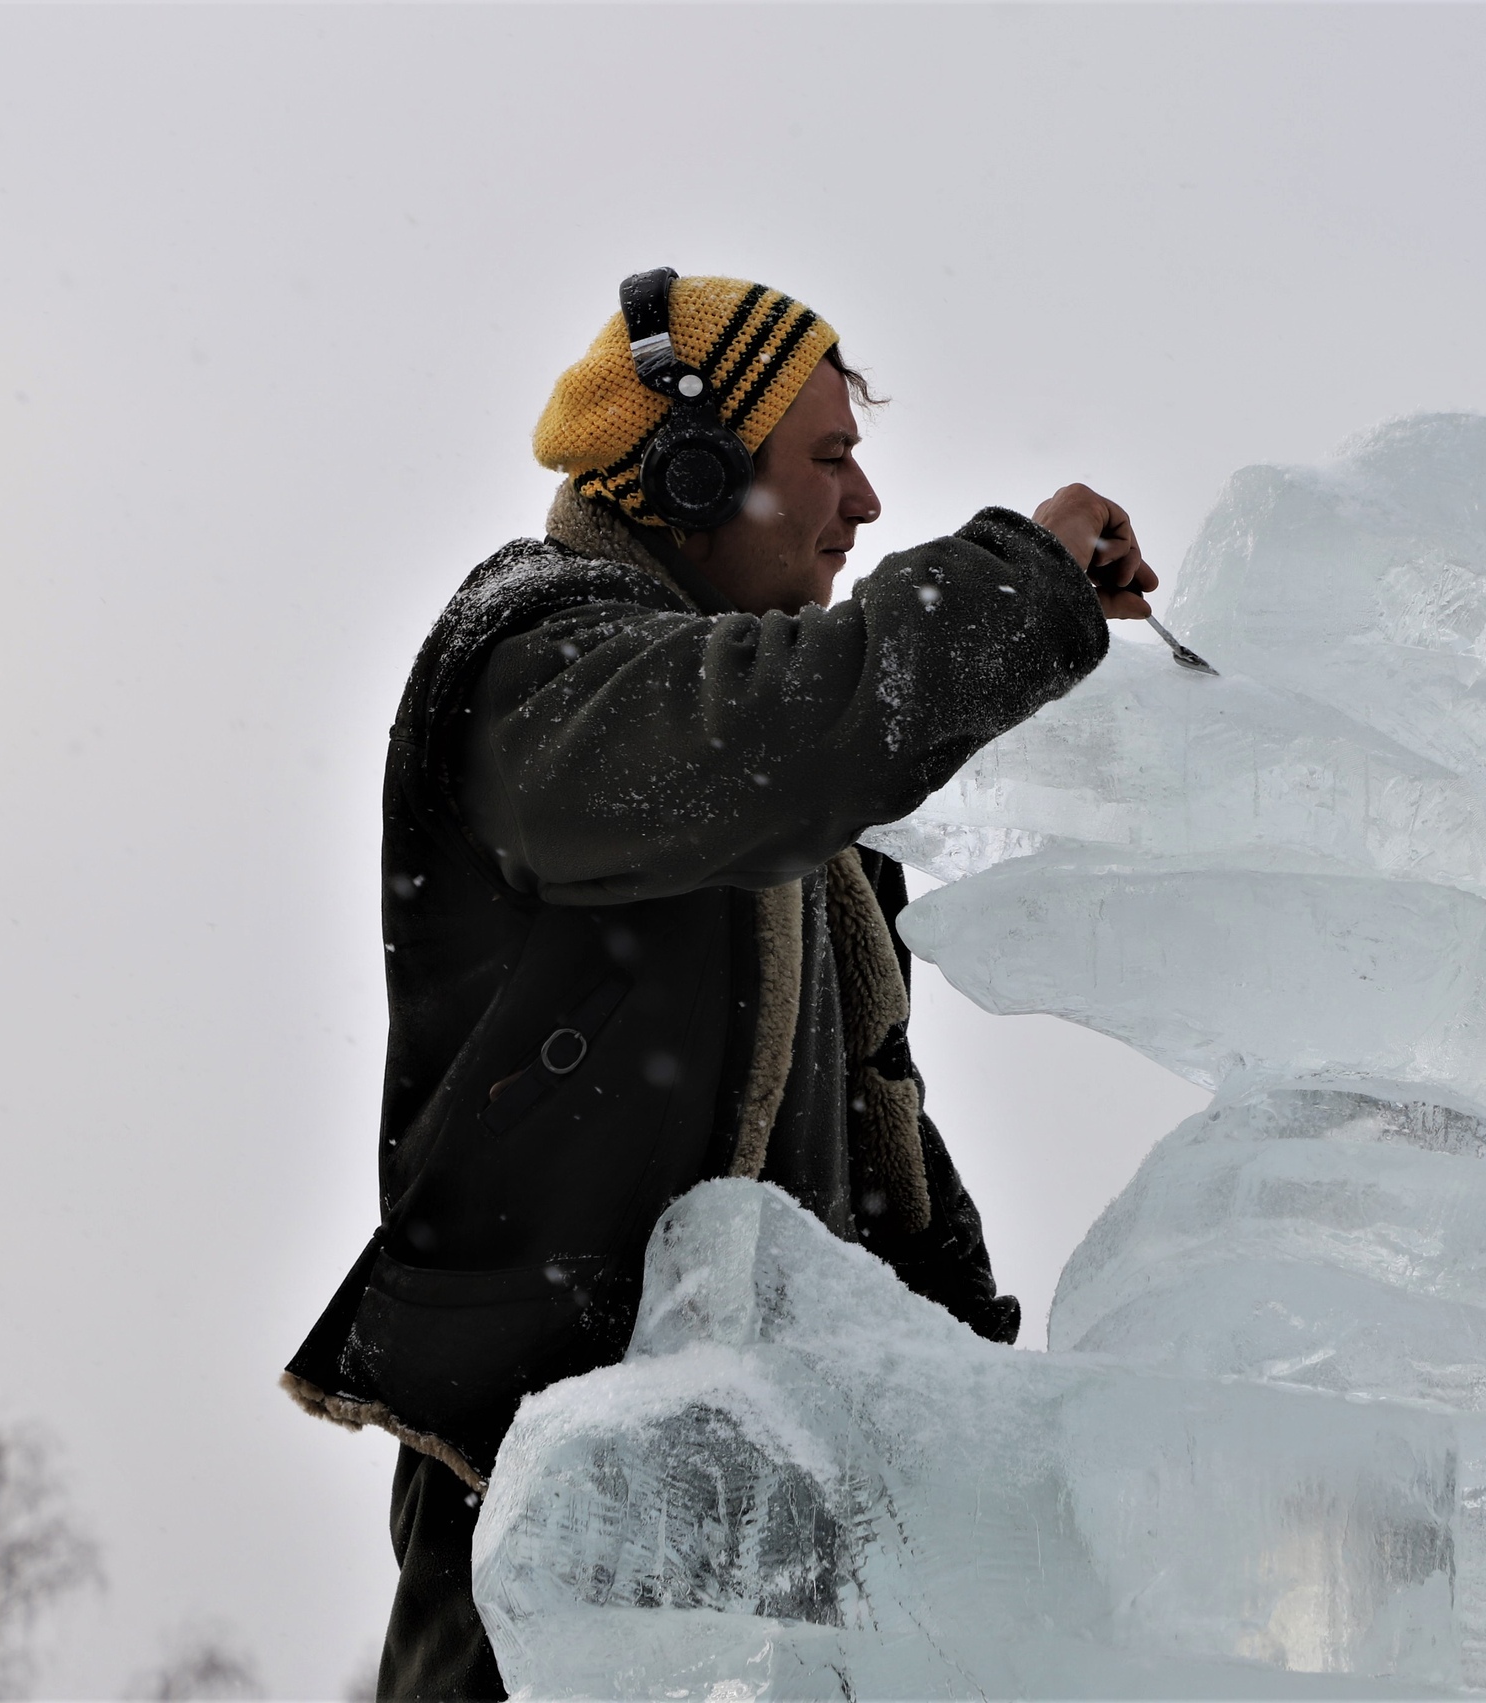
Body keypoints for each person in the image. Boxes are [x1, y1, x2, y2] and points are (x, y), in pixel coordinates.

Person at [279, 270, 1157, 1702]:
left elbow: (883, 1179)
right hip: (552, 1505)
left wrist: (1003, 1448)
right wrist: (1020, 588)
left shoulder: (794, 836)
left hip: (777, 1519)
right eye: (827, 458)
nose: (865, 504)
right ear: (693, 475)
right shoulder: (534, 671)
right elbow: (783, 725)